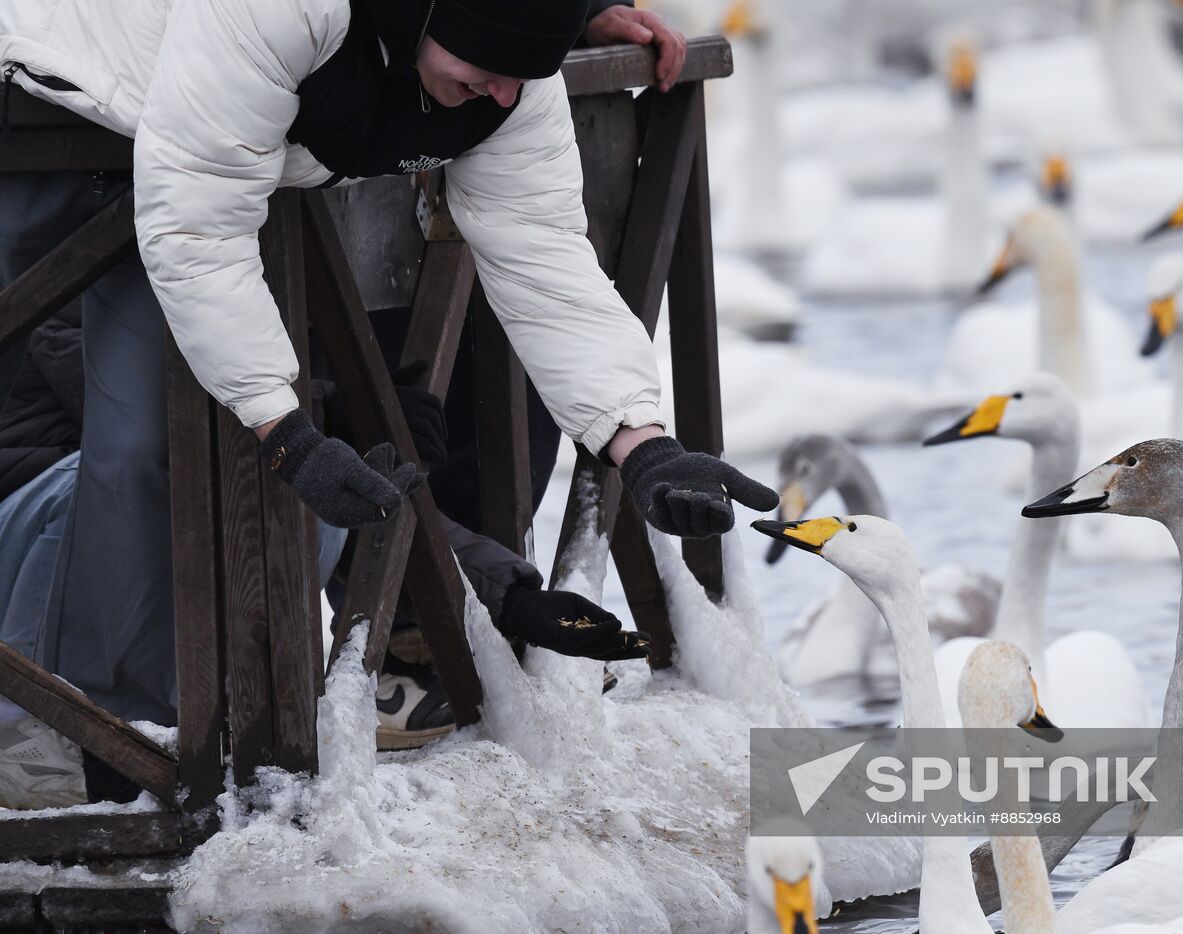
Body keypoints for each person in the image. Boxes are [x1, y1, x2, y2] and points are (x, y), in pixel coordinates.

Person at [0, 0, 777, 808]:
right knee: (138, 442)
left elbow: (545, 255)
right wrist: (287, 430)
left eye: (521, 75)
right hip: (45, 102)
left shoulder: (508, 86)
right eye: (490, 70)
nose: (505, 96)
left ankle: (116, 747)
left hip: (182, 141)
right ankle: (92, 737)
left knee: (148, 447)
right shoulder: (283, 13)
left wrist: (640, 444)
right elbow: (198, 229)